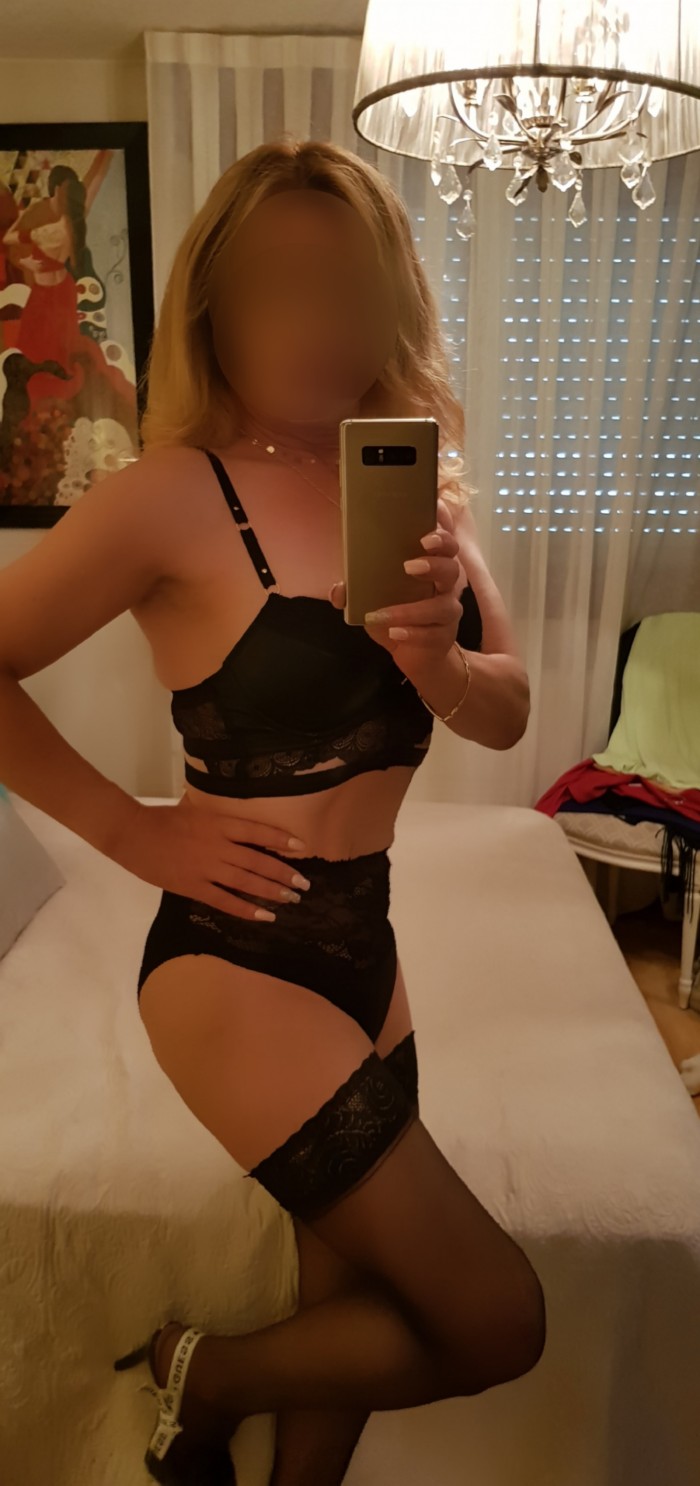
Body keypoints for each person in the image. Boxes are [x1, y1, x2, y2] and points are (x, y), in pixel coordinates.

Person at [0, 137, 542, 1486]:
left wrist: (441, 661)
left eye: (349, 286)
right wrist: (132, 830)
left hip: (370, 941)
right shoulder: (167, 496)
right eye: (277, 287)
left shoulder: (422, 494)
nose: (318, 322)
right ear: (213, 310)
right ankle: (204, 1370)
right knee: (497, 1317)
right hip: (233, 960)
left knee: (345, 1285)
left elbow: (512, 708)